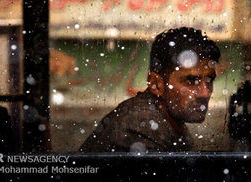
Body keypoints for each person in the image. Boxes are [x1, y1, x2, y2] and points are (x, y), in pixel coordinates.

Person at [79, 27, 220, 152]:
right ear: (155, 84)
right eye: (191, 81)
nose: (205, 93)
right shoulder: (139, 126)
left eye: (209, 80)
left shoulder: (166, 119)